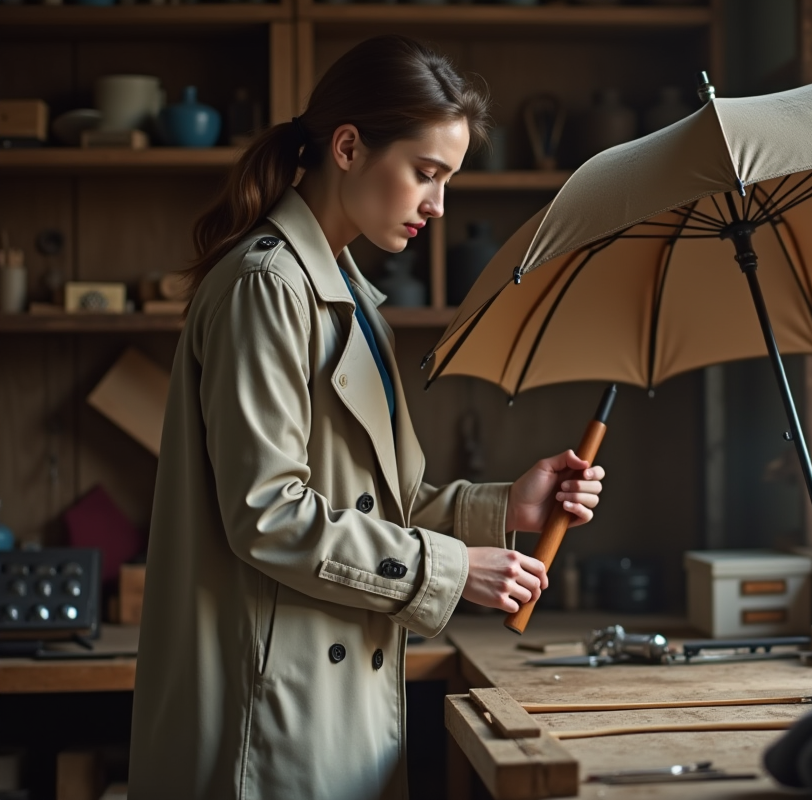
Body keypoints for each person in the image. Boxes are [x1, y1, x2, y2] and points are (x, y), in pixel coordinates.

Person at [127, 35, 605, 800]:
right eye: (426, 173)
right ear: (348, 146)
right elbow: (268, 514)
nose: (438, 205)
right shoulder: (267, 287)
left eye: (446, 180)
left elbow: (388, 506)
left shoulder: (350, 299)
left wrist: (504, 505)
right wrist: (452, 570)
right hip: (273, 711)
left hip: (331, 698)